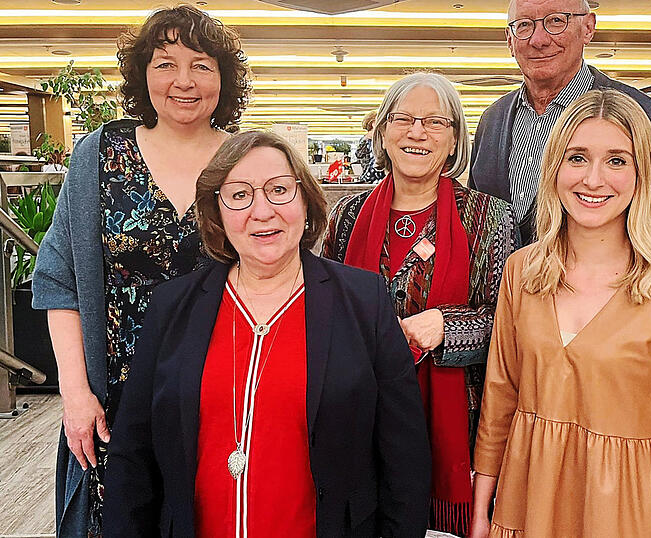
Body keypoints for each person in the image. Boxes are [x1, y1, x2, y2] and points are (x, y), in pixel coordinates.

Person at [103, 131, 431, 538]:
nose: (262, 211)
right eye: (239, 195)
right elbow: (132, 457)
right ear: (216, 213)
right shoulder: (173, 307)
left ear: (307, 202)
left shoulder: (365, 302)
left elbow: (405, 457)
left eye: (279, 190)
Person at [31, 5, 249, 536]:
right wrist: (76, 394)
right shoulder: (100, 153)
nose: (183, 81)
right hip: (117, 396)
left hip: (223, 390)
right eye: (165, 63)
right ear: (140, 75)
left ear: (224, 77)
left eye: (201, 65)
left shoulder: (246, 157)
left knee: (217, 516)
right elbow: (59, 279)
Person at [471, 89, 651, 537]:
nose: (593, 179)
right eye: (577, 158)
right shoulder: (522, 271)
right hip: (525, 503)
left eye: (616, 160)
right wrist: (480, 511)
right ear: (554, 168)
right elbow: (500, 400)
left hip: (623, 516)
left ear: (642, 173)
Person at [322, 72, 517, 537]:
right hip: (361, 416)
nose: (416, 132)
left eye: (434, 122)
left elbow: (510, 323)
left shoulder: (489, 216)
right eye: (403, 119)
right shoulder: (347, 215)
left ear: (454, 141)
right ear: (383, 133)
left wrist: (446, 326)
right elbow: (322, 307)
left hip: (459, 425)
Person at [469, 0, 651, 243]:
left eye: (556, 21)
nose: (539, 40)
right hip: (504, 281)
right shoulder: (492, 120)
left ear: (588, 28)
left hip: (607, 280)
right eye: (524, 25)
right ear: (509, 39)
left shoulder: (640, 113)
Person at [356, 109, 385, 183]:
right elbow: (376, 163)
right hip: (373, 180)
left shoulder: (363, 140)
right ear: (373, 123)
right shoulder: (374, 141)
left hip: (367, 179)